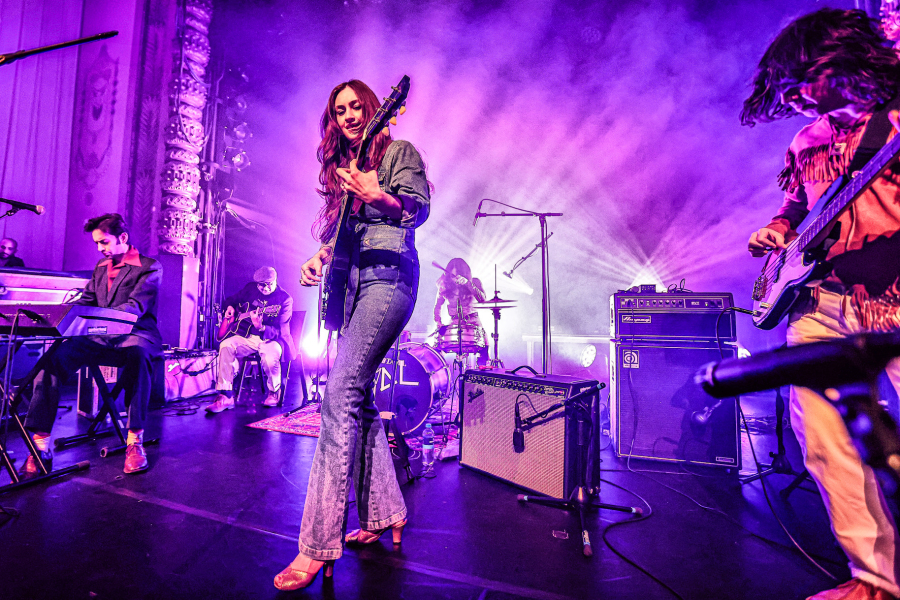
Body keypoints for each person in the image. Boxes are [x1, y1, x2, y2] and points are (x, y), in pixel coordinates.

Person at [742, 9, 900, 600]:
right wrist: (778, 230)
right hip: (819, 303)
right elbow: (799, 207)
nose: (795, 100)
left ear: (842, 62)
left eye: (804, 82)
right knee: (828, 446)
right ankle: (875, 582)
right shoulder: (806, 140)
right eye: (787, 91)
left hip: (893, 299)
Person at [275, 79, 430, 591]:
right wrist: (318, 258)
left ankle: (317, 544)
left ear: (374, 108)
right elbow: (344, 238)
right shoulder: (343, 171)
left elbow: (417, 208)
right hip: (352, 288)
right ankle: (387, 513)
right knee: (357, 399)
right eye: (339, 110)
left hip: (389, 281)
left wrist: (378, 194)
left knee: (339, 393)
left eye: (356, 106)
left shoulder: (398, 152)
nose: (348, 116)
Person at [22, 213, 161, 475]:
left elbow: (135, 307)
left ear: (122, 237)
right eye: (97, 243)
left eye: (104, 242)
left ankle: (135, 442)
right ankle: (40, 447)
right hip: (100, 336)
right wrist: (61, 314)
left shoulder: (149, 266)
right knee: (54, 358)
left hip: (135, 334)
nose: (99, 248)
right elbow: (87, 301)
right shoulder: (100, 267)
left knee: (139, 355)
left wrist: (97, 320)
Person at [206, 266, 295, 412]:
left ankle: (274, 392)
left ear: (275, 280)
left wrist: (261, 327)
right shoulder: (250, 288)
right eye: (261, 285)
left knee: (269, 355)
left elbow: (281, 331)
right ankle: (226, 395)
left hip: (272, 339)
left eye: (269, 284)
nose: (265, 288)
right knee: (226, 345)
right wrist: (230, 308)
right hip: (248, 337)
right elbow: (231, 300)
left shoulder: (284, 299)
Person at [431, 257, 488, 366]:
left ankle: (482, 370)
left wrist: (468, 283)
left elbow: (482, 299)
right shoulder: (444, 286)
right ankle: (439, 371)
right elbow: (438, 306)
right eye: (452, 276)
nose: (454, 279)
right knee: (438, 347)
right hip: (455, 321)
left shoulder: (474, 282)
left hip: (473, 321)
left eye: (457, 275)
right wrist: (438, 321)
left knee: (484, 348)